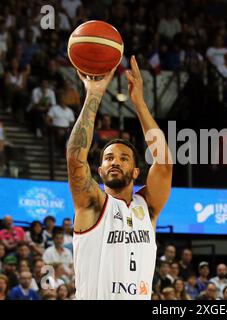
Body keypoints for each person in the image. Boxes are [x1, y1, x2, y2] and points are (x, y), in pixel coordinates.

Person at [68, 55, 172, 300]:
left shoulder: (147, 206)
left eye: (124, 158)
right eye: (108, 158)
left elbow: (165, 163)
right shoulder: (92, 204)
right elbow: (75, 159)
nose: (115, 161)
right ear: (101, 171)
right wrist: (93, 94)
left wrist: (140, 104)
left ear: (136, 172)